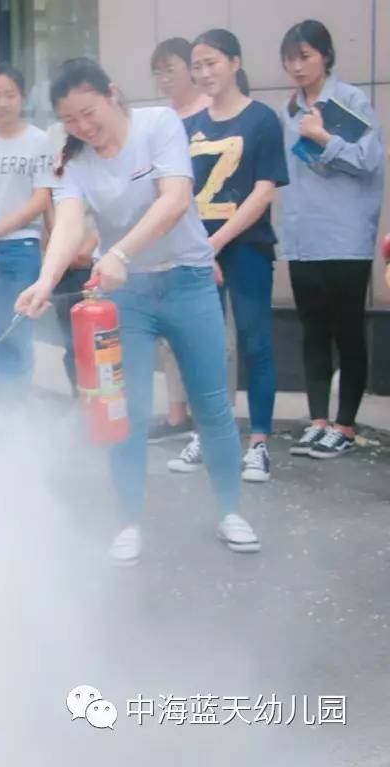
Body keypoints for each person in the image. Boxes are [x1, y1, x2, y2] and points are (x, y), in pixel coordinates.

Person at [16, 57, 258, 566]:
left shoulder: (158, 125)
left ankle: (231, 511)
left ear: (112, 93)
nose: (84, 127)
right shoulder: (75, 160)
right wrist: (45, 280)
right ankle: (128, 521)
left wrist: (120, 253)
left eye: (89, 112)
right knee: (123, 412)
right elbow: (68, 225)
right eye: (71, 120)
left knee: (212, 403)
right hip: (126, 298)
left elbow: (174, 200)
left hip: (189, 281)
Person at [166, 29, 288, 484]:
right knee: (206, 347)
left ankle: (258, 444)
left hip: (247, 248)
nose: (203, 73)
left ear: (235, 63)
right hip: (199, 251)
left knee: (256, 343)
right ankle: (210, 433)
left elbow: (263, 191)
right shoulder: (185, 128)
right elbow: (176, 194)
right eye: (196, 66)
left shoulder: (261, 120)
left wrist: (215, 244)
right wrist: (197, 246)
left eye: (211, 62)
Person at [278, 19, 386, 459]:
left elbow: (370, 159)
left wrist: (324, 137)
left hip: (345, 237)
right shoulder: (290, 108)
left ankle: (344, 425)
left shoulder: (349, 99)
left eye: (305, 56)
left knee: (347, 333)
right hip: (303, 238)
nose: (297, 67)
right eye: (290, 59)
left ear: (325, 54)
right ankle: (318, 421)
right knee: (312, 333)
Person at [0, 64, 55, 394]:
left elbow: (40, 199)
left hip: (23, 247)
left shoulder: (39, 141)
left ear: (23, 97)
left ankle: (17, 411)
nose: (3, 103)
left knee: (17, 330)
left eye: (9, 95)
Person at [149, 37, 215, 442]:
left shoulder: (211, 116)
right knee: (168, 339)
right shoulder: (160, 120)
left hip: (206, 233)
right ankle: (176, 414)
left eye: (170, 69)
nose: (164, 79)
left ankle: (207, 419)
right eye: (158, 72)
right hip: (166, 240)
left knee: (205, 340)